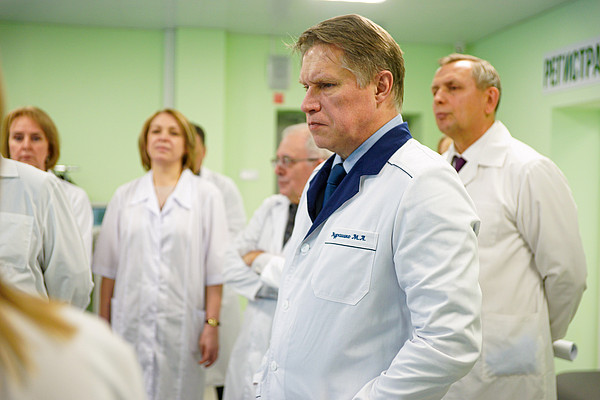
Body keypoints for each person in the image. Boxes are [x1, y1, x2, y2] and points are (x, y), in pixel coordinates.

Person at [256, 14, 482, 399]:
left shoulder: (423, 183)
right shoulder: (322, 176)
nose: (307, 104)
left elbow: (448, 341)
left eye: (326, 85)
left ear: (380, 87)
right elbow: (299, 302)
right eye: (307, 87)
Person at [430, 53, 587, 400]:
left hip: (507, 366)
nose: (439, 98)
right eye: (435, 90)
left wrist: (534, 332)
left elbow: (567, 275)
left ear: (490, 99)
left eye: (452, 88)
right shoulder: (435, 171)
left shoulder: (529, 170)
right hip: (441, 360)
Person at [92, 109, 228, 400]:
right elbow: (107, 270)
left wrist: (211, 325)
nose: (163, 137)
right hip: (129, 321)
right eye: (156, 131)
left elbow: (215, 272)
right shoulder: (125, 196)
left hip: (183, 326)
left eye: (173, 132)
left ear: (187, 145)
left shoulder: (207, 196)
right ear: (145, 142)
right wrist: (103, 324)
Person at [223, 123, 330, 400]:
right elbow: (229, 264)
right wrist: (275, 287)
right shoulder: (271, 207)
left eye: (287, 161)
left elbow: (312, 281)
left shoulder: (331, 216)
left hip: (297, 354)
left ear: (318, 164)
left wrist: (258, 259)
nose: (278, 170)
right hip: (252, 341)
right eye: (277, 160)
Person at [0, 111, 92, 309]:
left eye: (35, 138)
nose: (26, 146)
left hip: (28, 322)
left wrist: (54, 321)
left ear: (50, 147)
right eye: (18, 138)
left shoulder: (52, 189)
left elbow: (72, 277)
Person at [192, 123, 246, 400]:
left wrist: (198, 255)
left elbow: (236, 234)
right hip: (182, 291)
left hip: (217, 284)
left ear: (204, 151)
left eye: (193, 147)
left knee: (223, 369)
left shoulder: (222, 187)